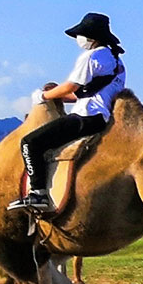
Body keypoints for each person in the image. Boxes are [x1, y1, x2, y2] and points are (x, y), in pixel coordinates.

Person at [12, 12, 127, 215]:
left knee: (30, 143)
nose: (79, 39)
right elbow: (85, 93)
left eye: (81, 34)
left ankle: (38, 193)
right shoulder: (117, 63)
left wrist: (44, 96)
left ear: (91, 36)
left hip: (85, 117)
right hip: (102, 117)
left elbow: (71, 86)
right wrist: (60, 97)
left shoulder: (91, 56)